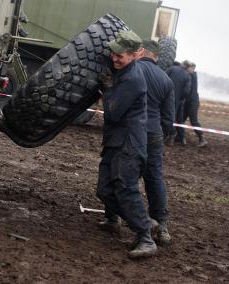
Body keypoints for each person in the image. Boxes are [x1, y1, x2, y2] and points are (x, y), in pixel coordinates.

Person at [96, 30, 157, 259]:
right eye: (113, 53)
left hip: (129, 145)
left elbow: (112, 113)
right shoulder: (124, 69)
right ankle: (140, 221)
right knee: (103, 190)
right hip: (116, 142)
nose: (114, 58)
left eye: (120, 55)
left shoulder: (133, 79)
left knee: (125, 189)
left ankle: (146, 237)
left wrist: (106, 88)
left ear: (136, 54)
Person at [137, 40, 174, 245]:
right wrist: (161, 133)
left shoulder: (132, 69)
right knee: (155, 179)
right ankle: (163, 227)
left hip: (133, 130)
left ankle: (114, 217)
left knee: (127, 176)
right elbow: (169, 117)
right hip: (154, 133)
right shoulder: (166, 79)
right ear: (157, 56)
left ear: (141, 51)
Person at [166, 60, 191, 145]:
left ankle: (171, 136)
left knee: (168, 117)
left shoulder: (172, 69)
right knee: (179, 119)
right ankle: (182, 138)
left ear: (182, 64)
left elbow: (163, 79)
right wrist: (180, 99)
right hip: (178, 100)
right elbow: (186, 91)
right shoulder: (187, 76)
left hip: (166, 96)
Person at [182, 61, 208, 147]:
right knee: (180, 120)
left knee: (194, 121)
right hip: (187, 102)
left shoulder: (192, 75)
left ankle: (202, 138)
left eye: (188, 68)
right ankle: (179, 136)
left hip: (192, 103)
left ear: (192, 68)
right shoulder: (190, 75)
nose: (186, 70)